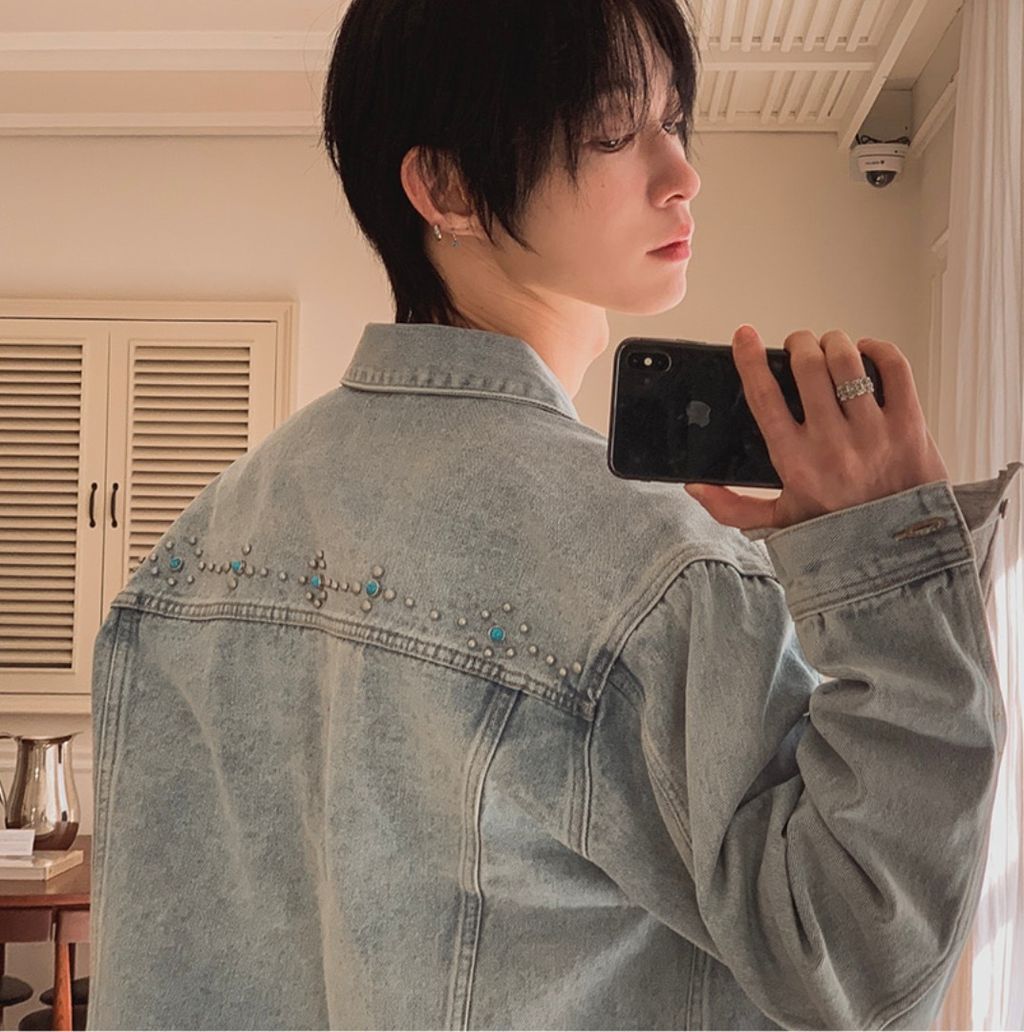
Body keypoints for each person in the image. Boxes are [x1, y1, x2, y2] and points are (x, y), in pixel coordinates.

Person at [87, 1, 1021, 1029]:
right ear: (447, 188)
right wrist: (888, 567)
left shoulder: (192, 552)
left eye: (675, 122)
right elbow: (864, 969)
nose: (681, 174)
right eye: (614, 133)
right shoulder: (653, 576)